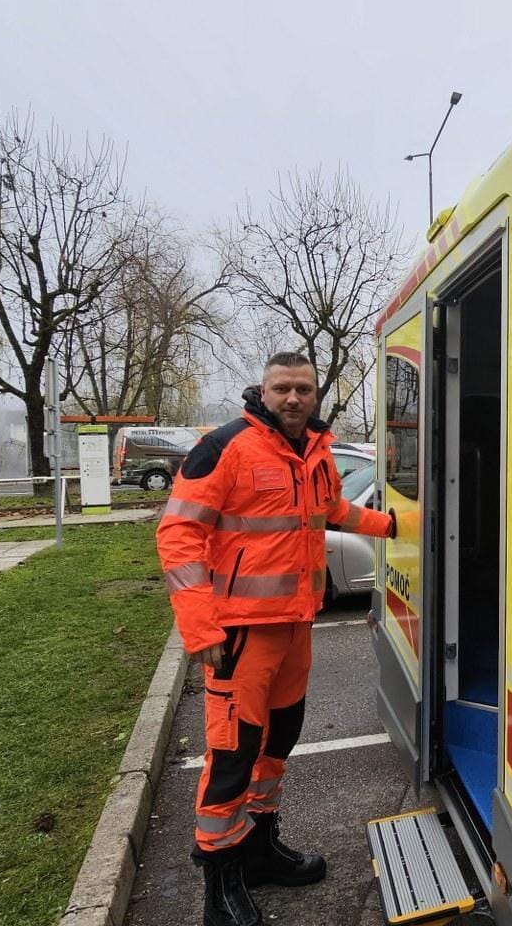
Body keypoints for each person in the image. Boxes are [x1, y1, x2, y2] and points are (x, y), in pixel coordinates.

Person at [156, 351, 395, 926]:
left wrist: (394, 525)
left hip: (297, 625)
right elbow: (178, 535)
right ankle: (221, 883)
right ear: (263, 391)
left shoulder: (314, 449)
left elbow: (331, 510)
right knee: (233, 755)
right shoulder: (227, 446)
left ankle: (260, 851)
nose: (293, 398)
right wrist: (200, 627)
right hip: (239, 633)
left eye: (303, 389)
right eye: (282, 388)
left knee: (277, 742)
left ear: (316, 394)